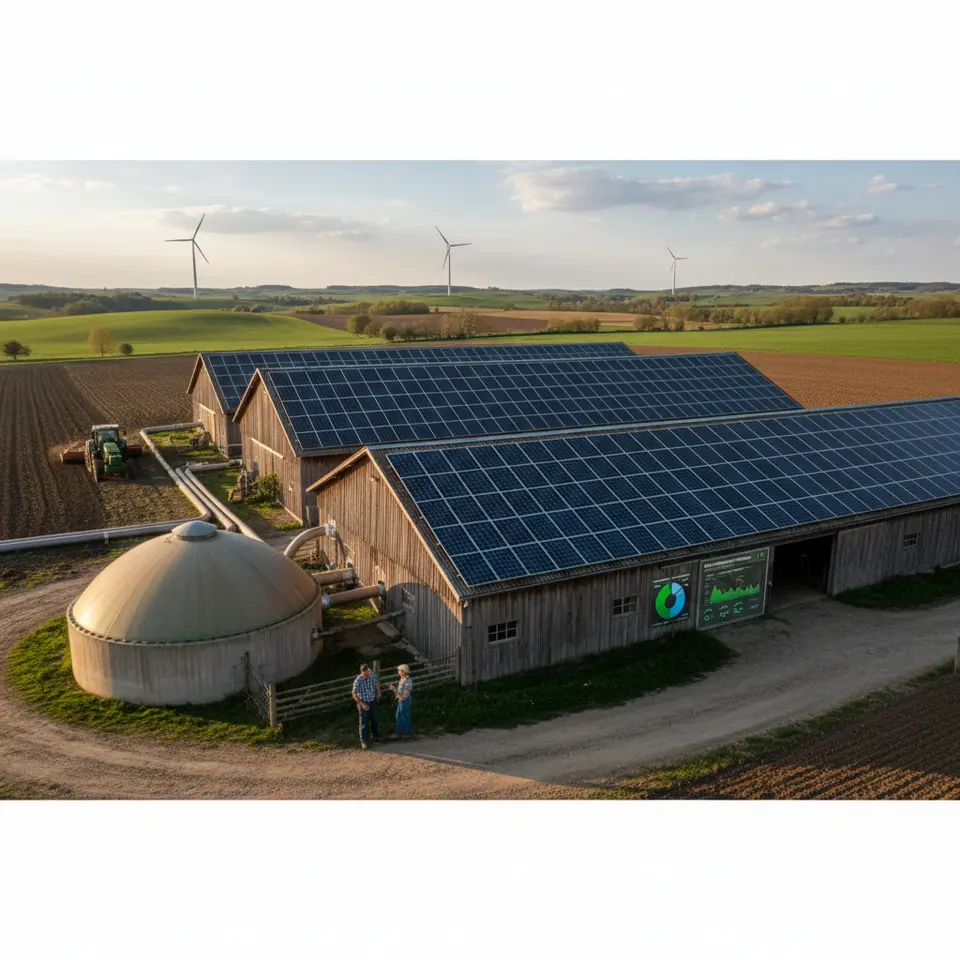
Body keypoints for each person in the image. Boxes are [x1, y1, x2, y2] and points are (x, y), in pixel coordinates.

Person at [351, 663, 380, 750]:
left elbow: (377, 684)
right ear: (362, 672)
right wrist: (362, 704)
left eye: (368, 671)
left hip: (372, 701)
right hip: (362, 703)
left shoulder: (372, 677)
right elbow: (354, 694)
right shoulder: (358, 680)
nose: (368, 673)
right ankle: (363, 741)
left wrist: (378, 693)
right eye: (366, 672)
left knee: (375, 720)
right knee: (363, 722)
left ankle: (375, 737)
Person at [388, 664, 413, 740]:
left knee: (403, 716)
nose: (398, 672)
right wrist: (395, 690)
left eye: (399, 670)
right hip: (401, 700)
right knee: (399, 716)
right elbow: (400, 694)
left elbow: (403, 697)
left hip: (405, 701)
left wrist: (395, 691)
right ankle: (402, 732)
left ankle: (404, 733)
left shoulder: (408, 681)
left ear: (403, 671)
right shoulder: (402, 679)